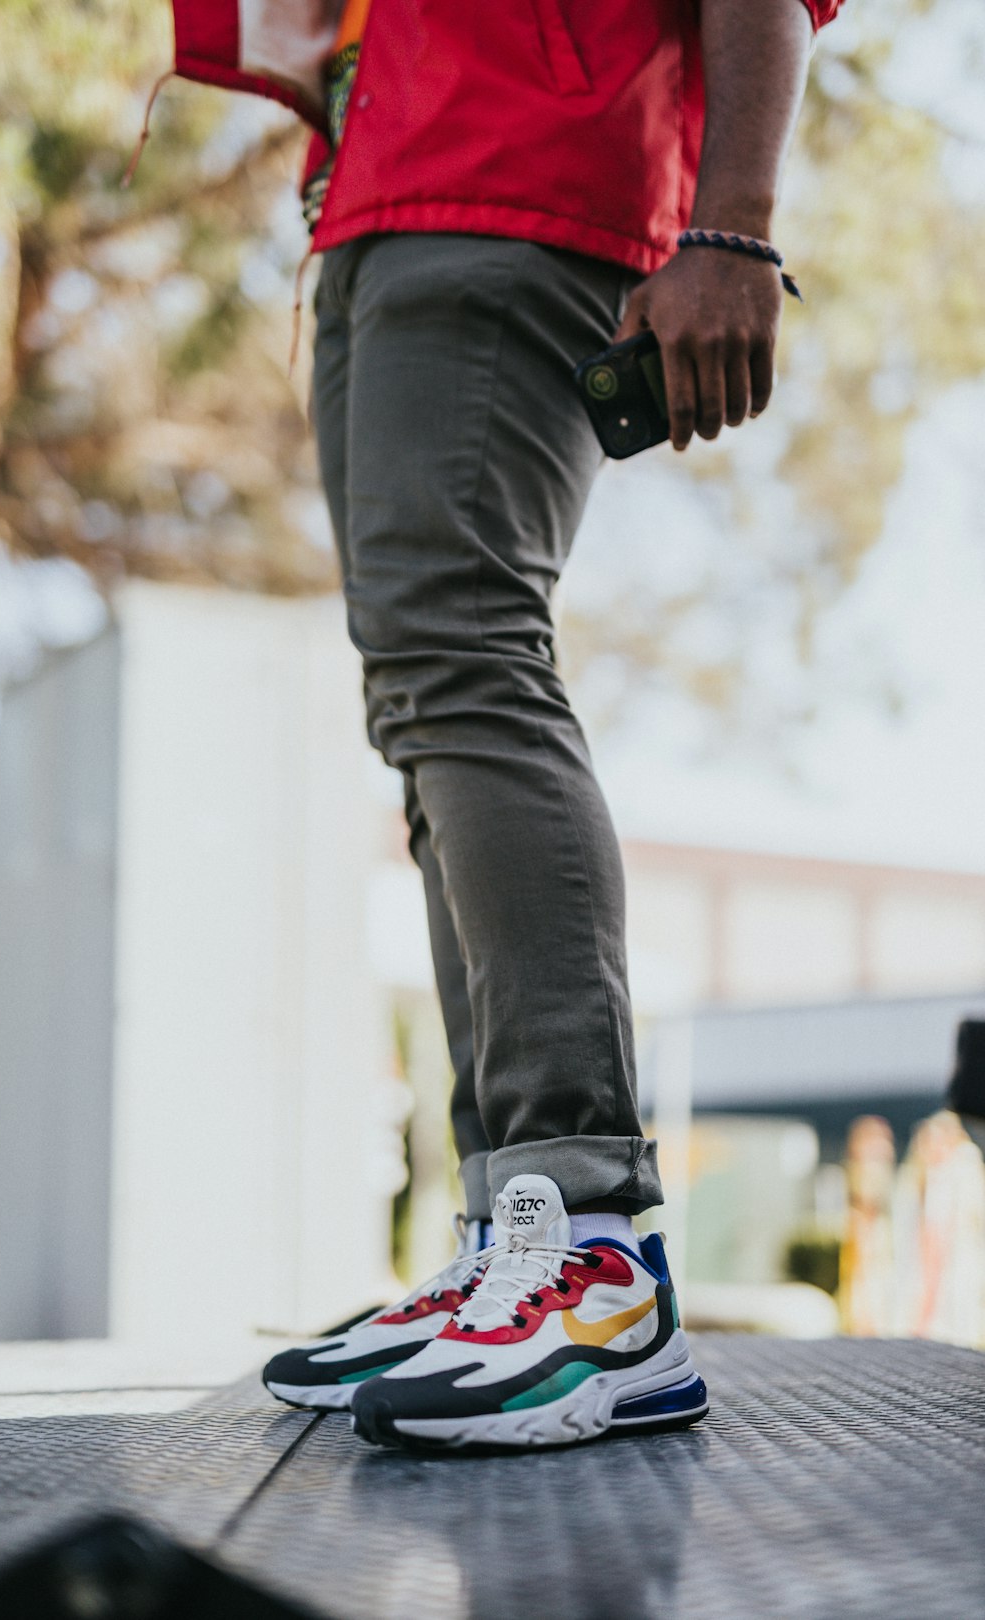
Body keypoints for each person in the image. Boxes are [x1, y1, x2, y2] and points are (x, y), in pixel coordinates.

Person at [169, 0, 842, 1449]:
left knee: (469, 661)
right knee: (423, 701)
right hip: (387, 188)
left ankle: (591, 1248)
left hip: (523, 171)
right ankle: (511, 1241)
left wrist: (733, 224)